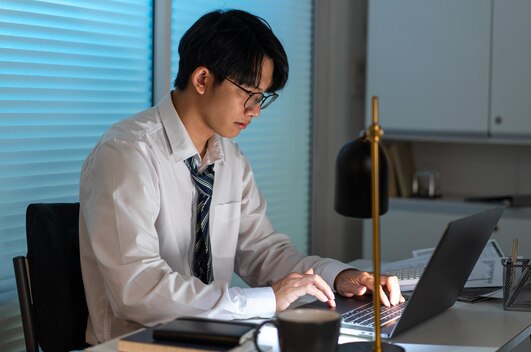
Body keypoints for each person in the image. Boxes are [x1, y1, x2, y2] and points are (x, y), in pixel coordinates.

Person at [78, 9, 403, 344]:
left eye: (262, 97)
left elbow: (265, 253)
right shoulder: (127, 153)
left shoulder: (230, 160)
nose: (256, 110)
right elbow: (138, 288)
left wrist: (341, 277)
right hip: (138, 345)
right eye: (248, 93)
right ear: (202, 79)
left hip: (216, 339)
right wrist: (266, 299)